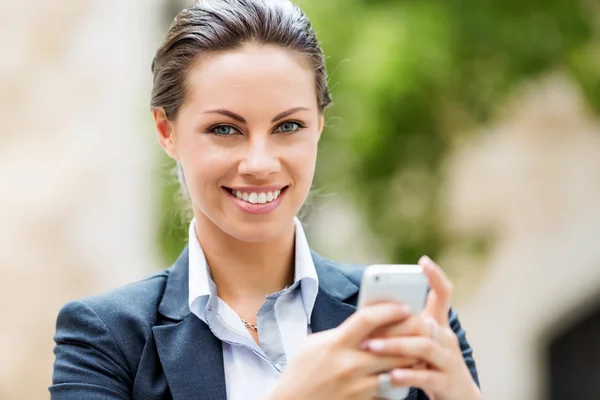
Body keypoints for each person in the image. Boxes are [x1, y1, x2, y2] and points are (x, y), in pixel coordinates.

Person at [50, 1, 481, 399]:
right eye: (224, 129)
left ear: (319, 127)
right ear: (167, 132)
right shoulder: (105, 337)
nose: (260, 163)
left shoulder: (407, 322)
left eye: (289, 126)